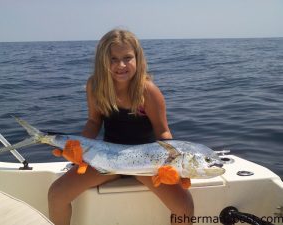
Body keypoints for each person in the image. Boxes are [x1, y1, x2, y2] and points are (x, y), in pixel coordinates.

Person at [48, 29, 194, 225]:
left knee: (184, 207)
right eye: (113, 59)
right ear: (102, 61)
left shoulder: (148, 91)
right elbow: (93, 122)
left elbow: (163, 131)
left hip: (147, 163)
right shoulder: (95, 86)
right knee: (56, 193)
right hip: (107, 159)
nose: (121, 65)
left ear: (138, 58)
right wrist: (78, 148)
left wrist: (172, 166)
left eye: (127, 58)